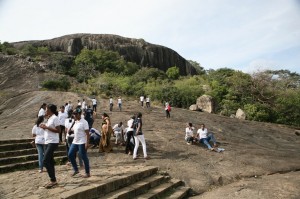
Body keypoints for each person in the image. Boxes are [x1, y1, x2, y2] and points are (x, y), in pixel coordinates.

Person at [39, 104, 60, 189]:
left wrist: (47, 127)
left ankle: (53, 180)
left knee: (45, 161)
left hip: (53, 142)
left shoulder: (55, 118)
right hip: (47, 142)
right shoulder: (49, 118)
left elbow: (58, 130)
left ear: (50, 110)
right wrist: (44, 127)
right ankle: (53, 181)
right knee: (50, 161)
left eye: (46, 109)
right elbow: (49, 129)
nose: (45, 110)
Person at [68, 108, 91, 178]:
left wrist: (87, 143)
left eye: (75, 114)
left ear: (79, 114)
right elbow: (73, 131)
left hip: (82, 142)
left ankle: (87, 172)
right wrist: (71, 131)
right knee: (70, 154)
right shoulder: (75, 122)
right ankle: (76, 169)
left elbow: (87, 134)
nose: (74, 116)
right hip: (75, 141)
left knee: (83, 157)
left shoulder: (84, 122)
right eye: (73, 114)